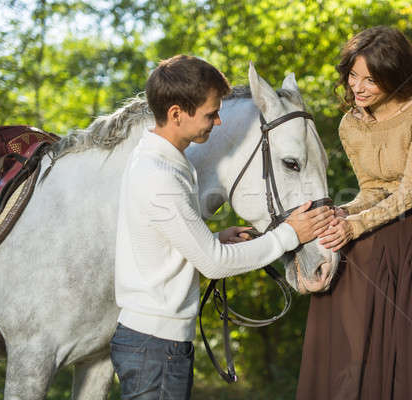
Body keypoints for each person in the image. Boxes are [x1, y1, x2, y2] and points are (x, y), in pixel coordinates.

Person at [110, 55, 334, 399]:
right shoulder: (159, 176)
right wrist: (289, 234)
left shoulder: (161, 160)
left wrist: (214, 238)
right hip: (154, 347)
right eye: (210, 114)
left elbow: (164, 245)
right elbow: (213, 263)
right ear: (176, 114)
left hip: (155, 343)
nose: (217, 121)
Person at [296, 27, 412, 400]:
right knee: (337, 243)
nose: (358, 87)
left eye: (371, 79)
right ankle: (347, 380)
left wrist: (356, 227)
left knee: (365, 246)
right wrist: (341, 214)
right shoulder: (350, 124)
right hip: (392, 204)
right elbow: (371, 190)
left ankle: (386, 380)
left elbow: (411, 191)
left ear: (394, 77)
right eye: (353, 75)